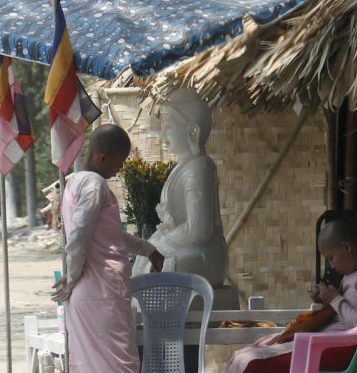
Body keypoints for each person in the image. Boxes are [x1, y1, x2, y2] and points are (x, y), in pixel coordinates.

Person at [51, 124, 166, 372]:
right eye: (120, 161)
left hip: (86, 293)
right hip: (101, 291)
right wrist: (71, 278)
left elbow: (109, 234)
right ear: (103, 158)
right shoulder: (94, 185)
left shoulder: (74, 183)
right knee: (119, 364)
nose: (121, 168)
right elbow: (79, 235)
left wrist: (149, 249)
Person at [222, 219, 357, 373]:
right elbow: (344, 312)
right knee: (244, 354)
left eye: (331, 258)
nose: (332, 265)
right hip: (325, 343)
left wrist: (335, 299)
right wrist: (326, 301)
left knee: (250, 363)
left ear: (346, 247)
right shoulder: (352, 273)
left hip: (337, 349)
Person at [133, 87, 228, 286]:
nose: (161, 134)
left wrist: (163, 242)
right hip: (184, 245)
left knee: (157, 267)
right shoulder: (187, 166)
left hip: (204, 255)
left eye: (168, 126)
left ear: (192, 130)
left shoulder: (199, 167)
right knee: (143, 261)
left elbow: (199, 230)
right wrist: (155, 241)